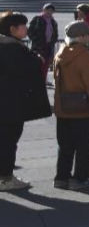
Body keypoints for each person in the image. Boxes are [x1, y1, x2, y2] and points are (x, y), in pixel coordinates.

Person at [0, 12, 51, 190]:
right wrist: (36, 59)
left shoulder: (7, 45)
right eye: (23, 25)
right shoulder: (12, 48)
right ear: (12, 29)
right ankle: (5, 178)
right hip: (11, 103)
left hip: (6, 101)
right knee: (9, 140)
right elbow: (22, 69)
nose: (27, 28)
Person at [52, 20, 89, 189]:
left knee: (65, 146)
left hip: (63, 109)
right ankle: (80, 179)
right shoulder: (86, 56)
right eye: (87, 35)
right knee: (84, 147)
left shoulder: (60, 54)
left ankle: (61, 178)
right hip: (83, 110)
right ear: (81, 37)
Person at [28, 3, 58, 75]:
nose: (49, 12)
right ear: (43, 10)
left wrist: (53, 42)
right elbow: (30, 31)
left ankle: (43, 80)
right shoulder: (37, 19)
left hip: (48, 47)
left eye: (51, 10)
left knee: (45, 66)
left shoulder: (53, 22)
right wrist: (36, 40)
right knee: (36, 65)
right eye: (47, 10)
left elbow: (55, 34)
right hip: (38, 47)